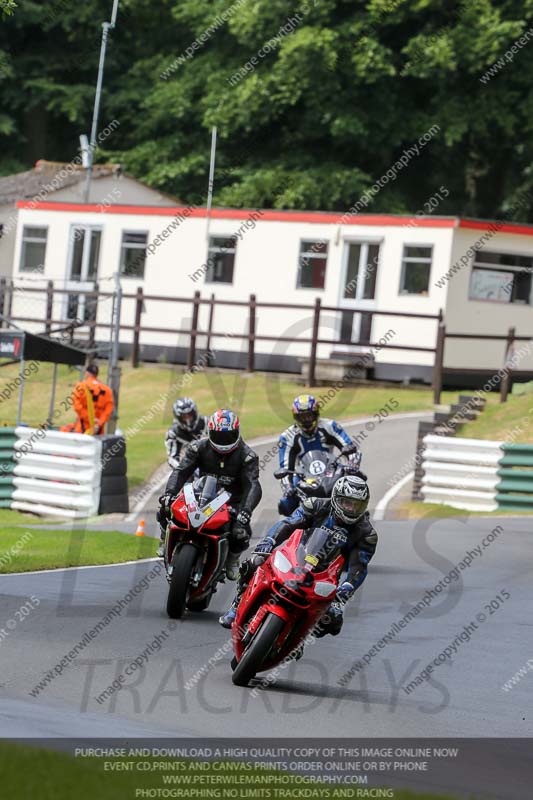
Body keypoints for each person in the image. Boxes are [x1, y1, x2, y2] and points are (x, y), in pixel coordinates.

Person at [219, 474, 377, 631]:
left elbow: (360, 565)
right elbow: (288, 523)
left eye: (357, 505)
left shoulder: (366, 533)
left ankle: (300, 635)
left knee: (332, 622)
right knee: (254, 562)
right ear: (336, 498)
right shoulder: (315, 505)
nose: (351, 509)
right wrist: (270, 541)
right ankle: (237, 603)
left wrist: (348, 587)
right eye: (346, 503)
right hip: (295, 555)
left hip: (326, 575)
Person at [157, 409, 262, 576]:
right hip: (201, 494)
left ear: (237, 433)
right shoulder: (197, 447)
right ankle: (164, 538)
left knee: (241, 533)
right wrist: (169, 493)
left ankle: (232, 559)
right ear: (210, 432)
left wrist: (246, 511)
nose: (223, 440)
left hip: (231, 502)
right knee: (165, 506)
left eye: (228, 436)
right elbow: (181, 471)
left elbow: (253, 486)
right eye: (219, 435)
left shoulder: (247, 456)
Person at [277, 394, 362, 515]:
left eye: (309, 415)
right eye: (302, 417)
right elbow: (284, 468)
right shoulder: (287, 437)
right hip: (303, 475)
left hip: (332, 470)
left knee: (356, 488)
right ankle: (290, 530)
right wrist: (288, 487)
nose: (306, 420)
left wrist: (352, 465)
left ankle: (360, 522)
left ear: (316, 414)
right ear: (296, 417)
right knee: (286, 503)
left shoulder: (330, 426)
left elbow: (352, 449)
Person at [70, 363, 114, 435]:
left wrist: (91, 419)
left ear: (87, 373)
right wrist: (98, 423)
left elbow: (77, 406)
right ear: (96, 374)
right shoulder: (107, 390)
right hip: (98, 432)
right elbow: (108, 410)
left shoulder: (81, 386)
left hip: (82, 429)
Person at [165, 397, 208, 469]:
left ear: (194, 413)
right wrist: (183, 469)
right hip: (191, 468)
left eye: (190, 415)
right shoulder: (173, 433)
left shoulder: (207, 423)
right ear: (178, 417)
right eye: (184, 416)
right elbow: (172, 458)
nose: (188, 419)